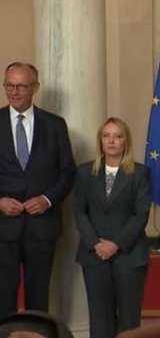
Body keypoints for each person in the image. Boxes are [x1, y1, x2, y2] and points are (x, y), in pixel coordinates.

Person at [0, 62, 76, 318]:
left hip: (41, 227)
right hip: (3, 227)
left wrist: (47, 199)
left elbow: (68, 172)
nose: (14, 92)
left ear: (35, 87)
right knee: (3, 295)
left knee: (38, 297)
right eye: (9, 85)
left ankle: (36, 334)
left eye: (21, 86)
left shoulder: (55, 125)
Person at [72, 117, 151, 338]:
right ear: (100, 140)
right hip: (94, 255)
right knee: (100, 319)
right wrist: (95, 244)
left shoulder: (140, 173)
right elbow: (79, 211)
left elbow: (141, 215)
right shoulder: (85, 172)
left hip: (129, 255)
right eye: (106, 136)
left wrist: (115, 244)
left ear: (126, 141)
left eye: (117, 136)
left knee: (129, 320)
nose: (111, 141)